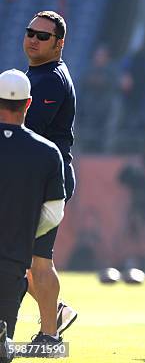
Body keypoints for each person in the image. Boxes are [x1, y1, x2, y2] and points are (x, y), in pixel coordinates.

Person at [0, 69, 66, 362]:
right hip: (12, 265)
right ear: (28, 104)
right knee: (4, 344)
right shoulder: (48, 153)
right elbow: (53, 214)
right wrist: (22, 233)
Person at [22, 11, 78, 344]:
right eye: (30, 32)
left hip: (46, 182)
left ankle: (50, 335)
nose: (33, 39)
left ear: (59, 44)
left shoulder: (51, 79)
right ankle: (55, 315)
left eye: (43, 36)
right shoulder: (37, 75)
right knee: (25, 259)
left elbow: (28, 131)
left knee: (38, 260)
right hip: (33, 178)